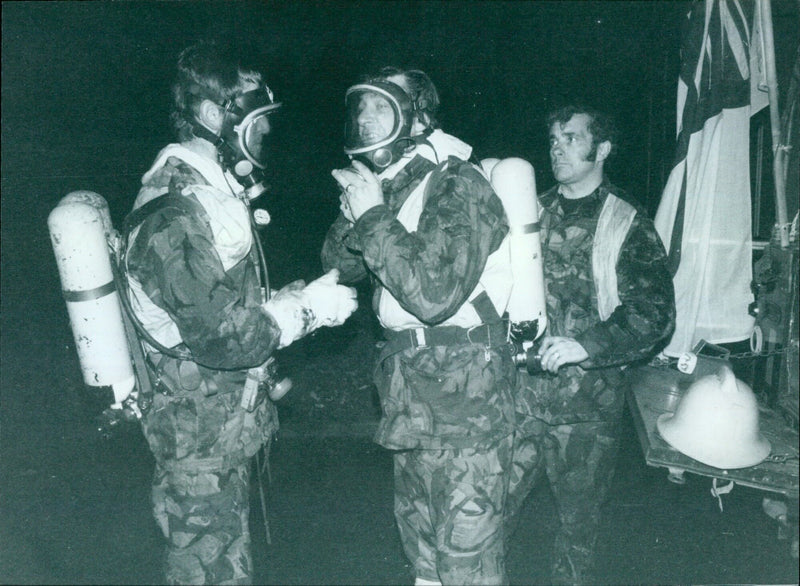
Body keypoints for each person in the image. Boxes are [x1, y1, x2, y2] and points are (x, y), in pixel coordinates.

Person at [119, 40, 357, 585]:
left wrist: (289, 297)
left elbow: (219, 302)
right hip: (198, 447)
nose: (266, 131)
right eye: (255, 119)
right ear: (210, 116)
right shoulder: (171, 212)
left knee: (229, 567)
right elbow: (225, 339)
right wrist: (307, 312)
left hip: (218, 436)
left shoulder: (206, 195)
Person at [321, 67, 517, 585]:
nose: (366, 119)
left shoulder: (457, 182)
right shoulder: (395, 188)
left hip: (465, 405)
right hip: (411, 400)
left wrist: (372, 218)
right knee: (425, 561)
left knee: (465, 563)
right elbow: (339, 267)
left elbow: (434, 294)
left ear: (419, 116)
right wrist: (359, 211)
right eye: (361, 108)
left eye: (382, 106)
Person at [504, 104, 676, 585]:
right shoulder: (527, 211)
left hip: (586, 410)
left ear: (602, 149)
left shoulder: (627, 222)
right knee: (490, 517)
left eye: (572, 139)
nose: (557, 149)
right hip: (520, 400)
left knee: (576, 532)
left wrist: (587, 345)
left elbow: (653, 314)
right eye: (554, 140)